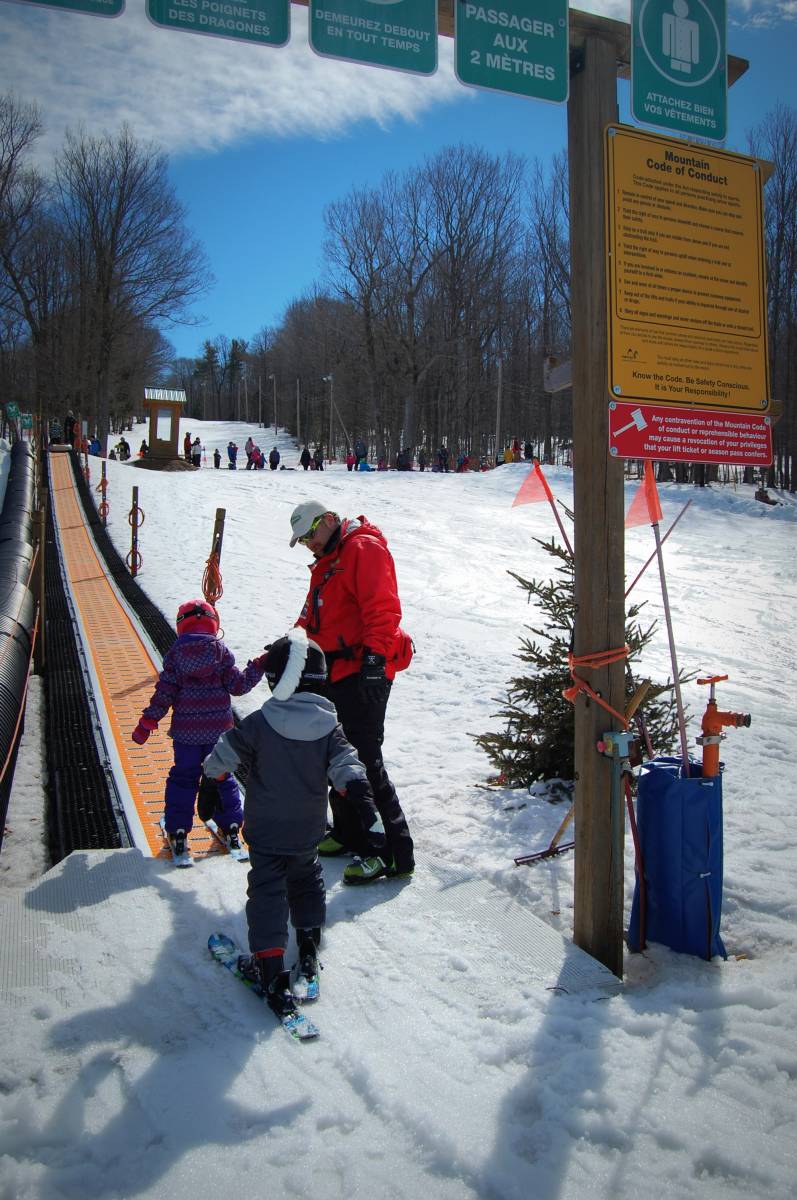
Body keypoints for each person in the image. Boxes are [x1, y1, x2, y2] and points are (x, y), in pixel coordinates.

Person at [200, 627, 381, 1017]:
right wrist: (361, 796)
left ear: (274, 681)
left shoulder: (260, 724)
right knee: (307, 881)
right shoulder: (329, 728)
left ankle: (270, 969)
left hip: (266, 833)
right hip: (307, 833)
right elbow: (347, 765)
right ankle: (310, 948)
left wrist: (210, 782)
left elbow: (225, 752)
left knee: (268, 894)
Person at [288, 500, 415, 884]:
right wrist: (288, 648)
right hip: (335, 670)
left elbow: (383, 609)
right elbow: (312, 616)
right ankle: (349, 831)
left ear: (328, 520)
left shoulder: (363, 549)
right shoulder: (329, 560)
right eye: (303, 539)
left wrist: (375, 663)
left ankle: (391, 851)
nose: (309, 543)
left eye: (311, 533)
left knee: (362, 758)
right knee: (332, 752)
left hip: (363, 669)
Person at [131, 599, 266, 862]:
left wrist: (147, 723)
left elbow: (164, 694)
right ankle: (231, 827)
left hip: (186, 735)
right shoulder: (221, 653)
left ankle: (179, 831)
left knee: (184, 778)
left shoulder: (175, 656)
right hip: (220, 735)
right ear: (214, 625)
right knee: (222, 778)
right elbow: (238, 686)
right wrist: (258, 666)